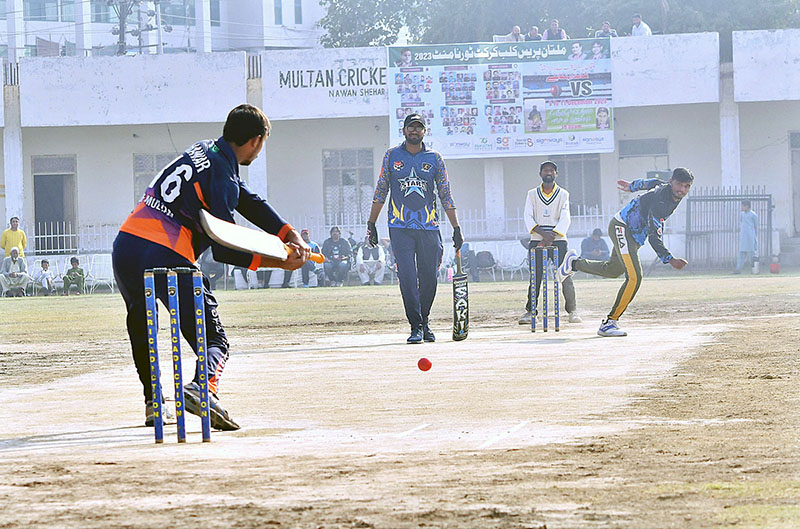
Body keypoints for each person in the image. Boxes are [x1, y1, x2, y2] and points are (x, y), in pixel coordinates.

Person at [112, 104, 311, 430]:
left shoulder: (207, 151)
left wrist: (287, 234)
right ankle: (203, 387)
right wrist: (278, 263)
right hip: (166, 251)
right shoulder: (223, 174)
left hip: (127, 245)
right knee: (215, 341)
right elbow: (223, 246)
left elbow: (247, 199)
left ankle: (153, 403)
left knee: (141, 323)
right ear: (256, 141)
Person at [557, 168, 694, 337]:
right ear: (672, 181)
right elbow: (654, 236)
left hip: (634, 236)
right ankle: (609, 322)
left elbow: (650, 182)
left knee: (614, 269)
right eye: (679, 184)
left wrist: (632, 186)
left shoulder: (665, 188)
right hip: (622, 227)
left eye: (686, 186)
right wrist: (670, 259)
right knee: (635, 277)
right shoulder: (661, 202)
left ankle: (573, 263)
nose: (682, 190)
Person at [366, 113, 463, 344]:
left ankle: (425, 321)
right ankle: (415, 326)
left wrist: (456, 228)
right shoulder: (392, 156)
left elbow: (445, 194)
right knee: (408, 277)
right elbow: (381, 191)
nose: (415, 131)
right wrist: (371, 223)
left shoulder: (435, 159)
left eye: (419, 128)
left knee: (428, 276)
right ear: (404, 130)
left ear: (424, 132)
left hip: (429, 227)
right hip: (399, 227)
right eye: (411, 127)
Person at [518, 161, 581, 325]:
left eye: (552, 171)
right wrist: (542, 234)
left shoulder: (563, 194)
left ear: (556, 174)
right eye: (545, 170)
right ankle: (530, 311)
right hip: (537, 238)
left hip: (558, 239)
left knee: (564, 274)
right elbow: (527, 216)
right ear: (540, 173)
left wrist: (551, 235)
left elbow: (566, 217)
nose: (549, 173)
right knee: (536, 276)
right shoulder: (532, 194)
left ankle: (572, 311)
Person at [735, 200, 759, 274]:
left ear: (747, 206)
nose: (742, 207)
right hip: (743, 235)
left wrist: (755, 235)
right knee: (741, 253)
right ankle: (738, 269)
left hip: (750, 235)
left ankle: (754, 269)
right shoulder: (742, 214)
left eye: (743, 206)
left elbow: (756, 226)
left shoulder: (753, 214)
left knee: (752, 253)